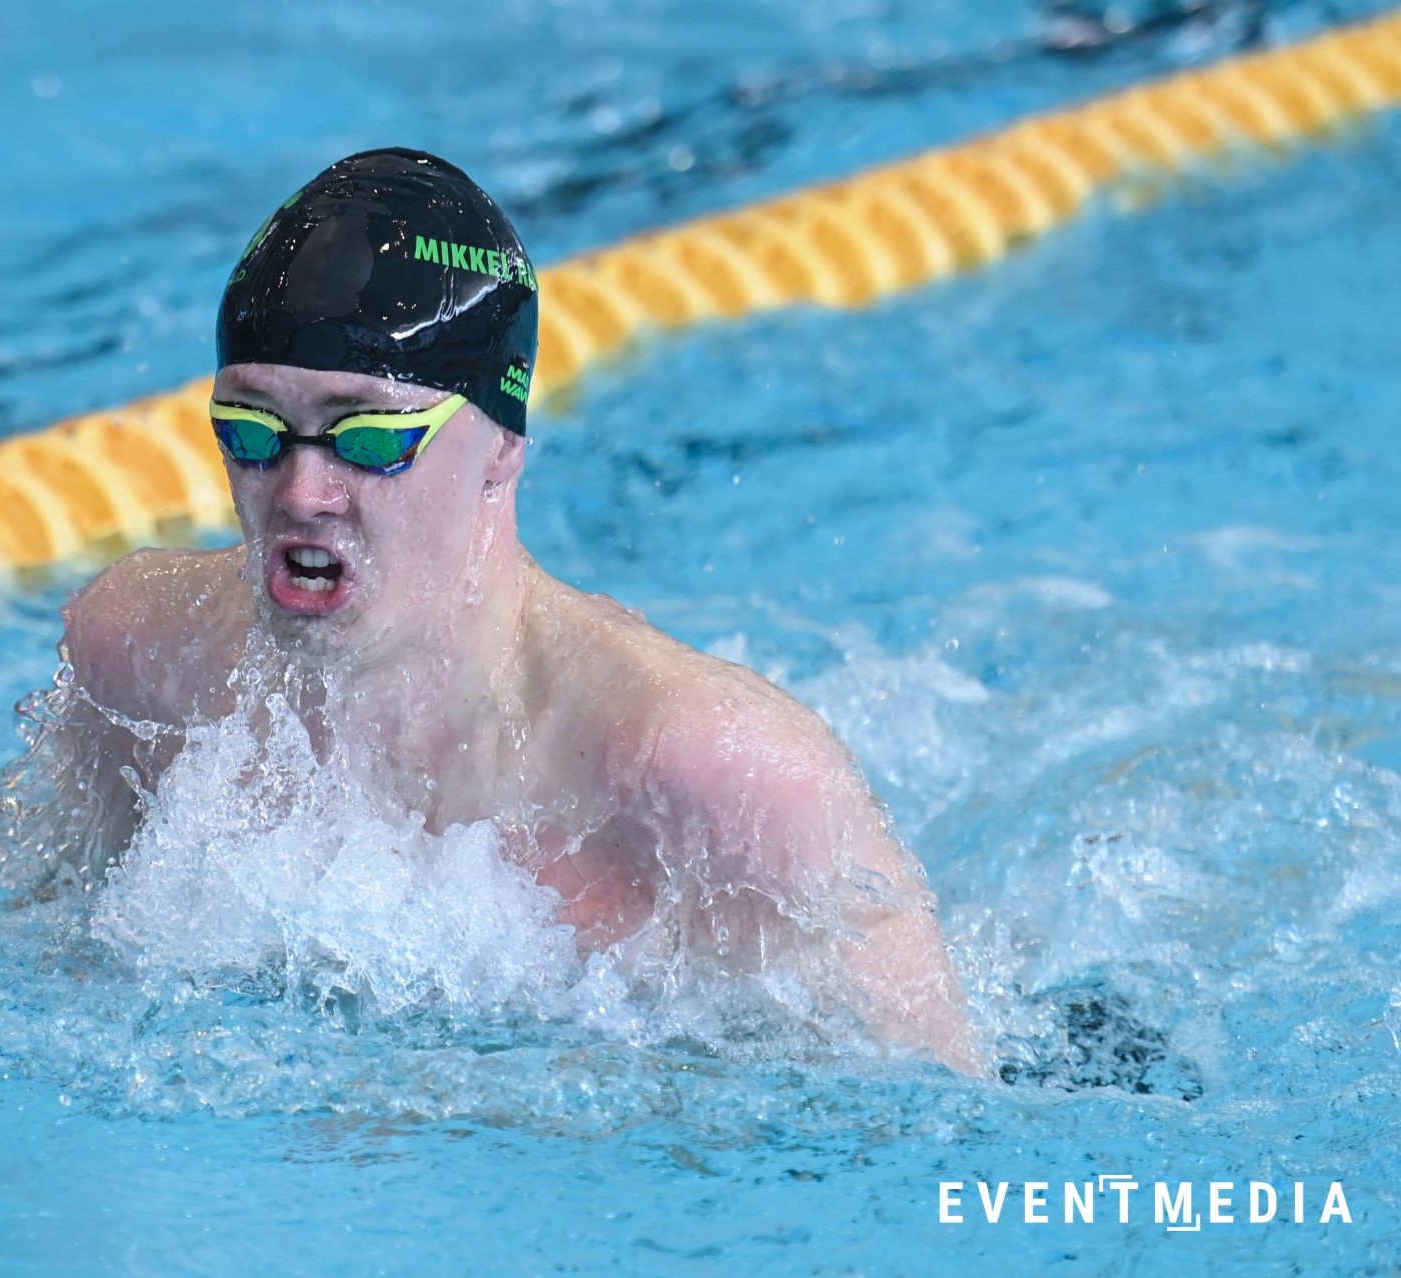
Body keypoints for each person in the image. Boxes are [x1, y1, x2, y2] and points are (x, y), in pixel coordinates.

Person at [60, 148, 983, 1074]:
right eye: (251, 429)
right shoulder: (143, 658)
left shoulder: (723, 779)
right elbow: (41, 950)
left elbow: (935, 1112)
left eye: (370, 437)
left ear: (502, 445)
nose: (301, 491)